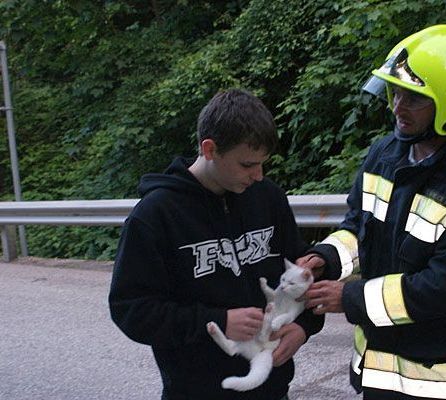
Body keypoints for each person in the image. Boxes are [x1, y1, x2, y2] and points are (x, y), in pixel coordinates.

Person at [298, 25, 446, 399]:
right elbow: (358, 226)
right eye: (395, 92)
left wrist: (350, 299)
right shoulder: (386, 152)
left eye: (414, 98)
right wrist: (325, 258)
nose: (398, 107)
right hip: (381, 373)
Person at [109, 88, 324, 400]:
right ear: (210, 149)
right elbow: (132, 310)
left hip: (273, 389)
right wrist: (217, 321)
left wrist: (302, 328)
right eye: (247, 164)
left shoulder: (269, 199)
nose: (258, 175)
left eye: (263, 163)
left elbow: (300, 274)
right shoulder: (157, 215)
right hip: (196, 391)